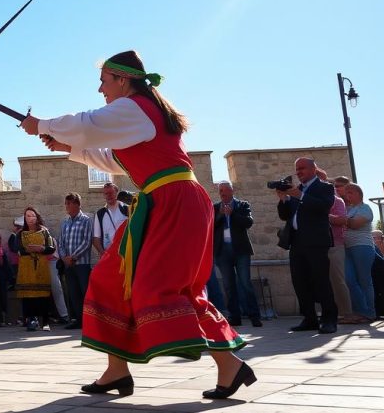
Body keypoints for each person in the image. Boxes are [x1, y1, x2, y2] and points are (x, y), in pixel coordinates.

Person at [22, 50, 250, 399]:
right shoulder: (138, 114)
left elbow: (88, 123)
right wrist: (67, 147)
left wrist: (42, 125)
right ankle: (116, 371)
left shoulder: (135, 107)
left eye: (104, 81)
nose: (101, 89)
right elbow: (113, 158)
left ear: (123, 80)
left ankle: (229, 364)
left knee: (172, 287)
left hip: (175, 203)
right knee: (110, 278)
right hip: (159, 204)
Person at [277, 158, 338, 335]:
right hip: (297, 242)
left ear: (313, 169)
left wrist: (300, 196)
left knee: (321, 281)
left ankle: (329, 319)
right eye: (297, 169)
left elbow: (324, 207)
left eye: (302, 168)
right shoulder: (298, 190)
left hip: (316, 242)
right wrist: (284, 200)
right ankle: (309, 319)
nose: (298, 172)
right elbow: (285, 216)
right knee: (300, 281)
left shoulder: (324, 187)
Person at [212, 181, 262, 327]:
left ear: (232, 191)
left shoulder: (242, 205)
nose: (223, 193)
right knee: (228, 286)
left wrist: (232, 214)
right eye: (220, 191)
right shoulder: (215, 208)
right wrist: (221, 215)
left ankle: (255, 316)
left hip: (240, 251)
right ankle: (235, 317)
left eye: (225, 190)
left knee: (245, 283)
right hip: (222, 252)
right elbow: (210, 225)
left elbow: (248, 222)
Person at [15, 207, 55, 332]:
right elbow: (18, 249)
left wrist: (41, 249)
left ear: (36, 217)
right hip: (26, 268)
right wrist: (28, 250)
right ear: (25, 218)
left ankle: (45, 322)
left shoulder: (44, 231)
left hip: (41, 267)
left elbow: (51, 247)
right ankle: (31, 320)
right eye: (28, 216)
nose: (30, 218)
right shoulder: (20, 233)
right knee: (28, 295)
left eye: (33, 216)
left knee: (43, 294)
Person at [57, 192, 92, 330]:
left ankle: (89, 320)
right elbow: (60, 243)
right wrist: (65, 257)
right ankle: (79, 320)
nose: (67, 206)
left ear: (77, 204)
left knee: (85, 292)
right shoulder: (65, 222)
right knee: (73, 293)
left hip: (82, 264)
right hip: (68, 265)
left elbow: (87, 241)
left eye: (69, 203)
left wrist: (73, 257)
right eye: (66, 203)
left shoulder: (86, 220)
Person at [342, 183, 376, 323]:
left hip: (362, 246)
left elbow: (355, 224)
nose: (347, 195)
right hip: (347, 248)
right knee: (349, 280)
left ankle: (369, 312)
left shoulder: (365, 208)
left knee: (364, 281)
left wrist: (338, 219)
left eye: (350, 192)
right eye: (346, 193)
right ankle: (360, 311)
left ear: (358, 194)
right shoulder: (348, 209)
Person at [328, 175, 357, 324]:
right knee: (326, 281)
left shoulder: (337, 201)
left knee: (338, 280)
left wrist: (323, 215)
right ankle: (333, 313)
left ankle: (347, 313)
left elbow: (341, 220)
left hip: (335, 244)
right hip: (321, 245)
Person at [93, 182, 128, 255]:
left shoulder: (126, 209)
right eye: (106, 193)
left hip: (125, 253)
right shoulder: (100, 214)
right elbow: (96, 238)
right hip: (108, 254)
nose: (109, 195)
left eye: (111, 192)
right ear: (104, 195)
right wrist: (103, 254)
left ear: (116, 193)